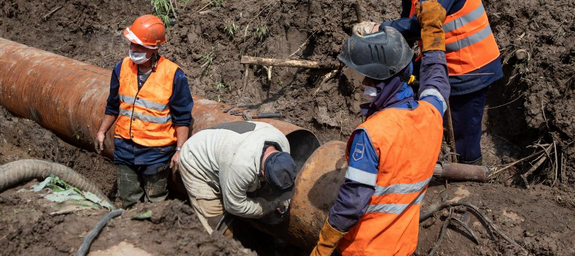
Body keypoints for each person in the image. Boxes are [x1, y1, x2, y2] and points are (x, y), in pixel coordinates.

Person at [311, 1, 450, 255]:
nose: (363, 82)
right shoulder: (430, 115)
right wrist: (433, 34)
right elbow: (437, 80)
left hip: (365, 249)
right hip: (403, 246)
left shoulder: (373, 135)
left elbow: (353, 202)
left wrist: (324, 244)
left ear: (384, 82)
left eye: (369, 78)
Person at [357, 0, 503, 165]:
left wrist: (381, 28)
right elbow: (409, 21)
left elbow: (424, 23)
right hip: (441, 57)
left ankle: (469, 175)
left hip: (471, 65)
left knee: (464, 134)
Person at [96, 14, 193, 208]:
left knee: (156, 202)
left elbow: (182, 117)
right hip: (125, 146)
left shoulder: (174, 75)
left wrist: (179, 150)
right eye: (132, 44)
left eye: (139, 46)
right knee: (129, 199)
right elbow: (113, 104)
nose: (133, 50)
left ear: (154, 47)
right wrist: (102, 131)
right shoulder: (121, 67)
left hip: (156, 151)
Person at [178, 121, 297, 234]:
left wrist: (281, 200)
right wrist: (268, 207)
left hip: (226, 153)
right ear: (262, 172)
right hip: (197, 162)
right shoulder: (240, 166)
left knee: (245, 187)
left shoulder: (283, 143)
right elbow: (234, 205)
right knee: (218, 227)